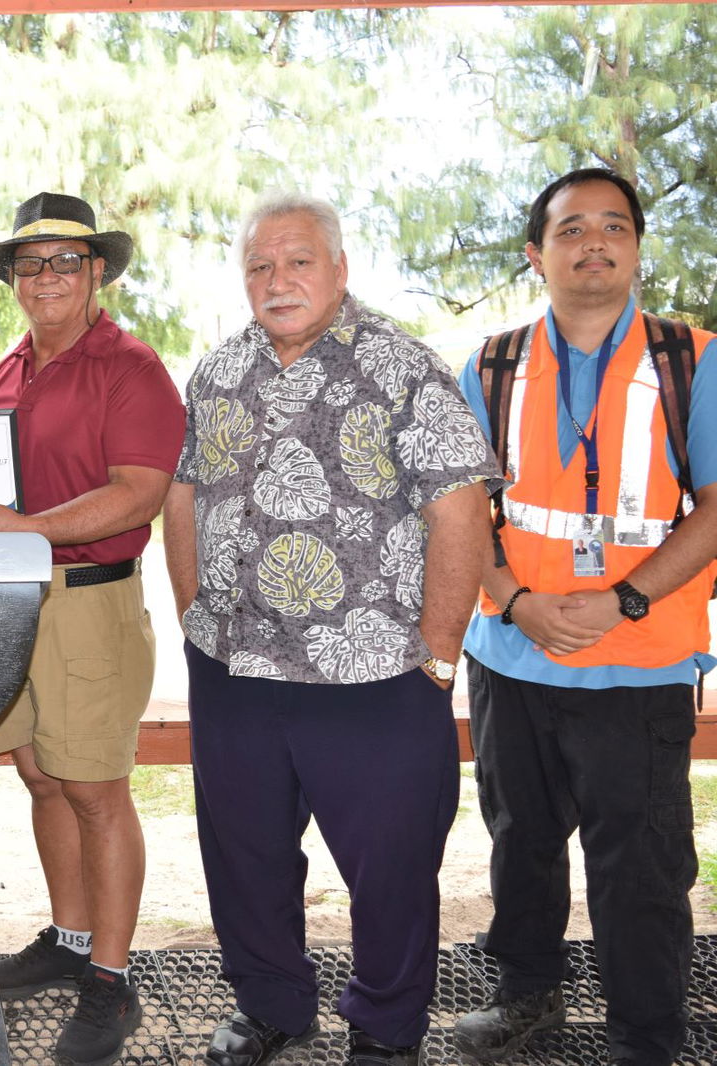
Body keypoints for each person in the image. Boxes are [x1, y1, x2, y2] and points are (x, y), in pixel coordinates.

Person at [163, 192, 497, 1066]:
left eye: (298, 260)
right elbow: (186, 493)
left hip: (374, 675)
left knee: (390, 872)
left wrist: (437, 653)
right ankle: (272, 1004)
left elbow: (460, 509)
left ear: (340, 269)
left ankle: (386, 1028)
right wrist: (199, 618)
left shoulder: (403, 367)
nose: (278, 280)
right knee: (245, 859)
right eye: (260, 265)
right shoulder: (218, 370)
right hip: (235, 670)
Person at [450, 168, 717, 1066]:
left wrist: (624, 597)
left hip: (637, 663)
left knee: (640, 867)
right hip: (512, 656)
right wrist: (517, 603)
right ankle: (528, 1000)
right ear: (538, 255)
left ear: (638, 247)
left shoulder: (695, 361)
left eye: (613, 226)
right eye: (570, 229)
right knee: (520, 846)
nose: (593, 242)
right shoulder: (486, 366)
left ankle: (646, 1035)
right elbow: (455, 515)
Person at [0, 192, 185, 1066]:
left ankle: (111, 983)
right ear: (13, 280)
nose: (45, 278)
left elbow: (139, 491)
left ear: (97, 272)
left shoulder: (130, 366)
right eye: (29, 264)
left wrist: (22, 529)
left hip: (90, 601)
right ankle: (70, 942)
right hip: (14, 604)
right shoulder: (6, 372)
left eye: (65, 262)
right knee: (40, 775)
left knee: (95, 790)